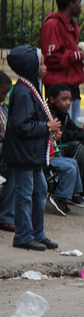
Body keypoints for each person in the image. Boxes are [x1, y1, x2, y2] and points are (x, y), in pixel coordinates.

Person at [4, 46, 62, 251]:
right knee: (25, 194)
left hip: (32, 154)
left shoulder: (31, 88)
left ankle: (37, 233)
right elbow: (20, 126)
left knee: (40, 191)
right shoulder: (22, 92)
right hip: (23, 154)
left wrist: (51, 129)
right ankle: (22, 235)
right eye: (42, 64)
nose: (45, 67)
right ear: (31, 67)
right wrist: (47, 127)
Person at [40, 0, 84, 124]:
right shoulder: (52, 25)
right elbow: (50, 57)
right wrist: (78, 56)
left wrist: (81, 57)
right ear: (71, 4)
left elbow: (68, 52)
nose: (81, 6)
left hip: (72, 84)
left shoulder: (70, 25)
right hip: (58, 86)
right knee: (61, 128)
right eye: (79, 2)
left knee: (74, 125)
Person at [0, 71, 15, 232]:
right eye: (3, 93)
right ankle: (5, 216)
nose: (5, 96)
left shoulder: (3, 109)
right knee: (15, 168)